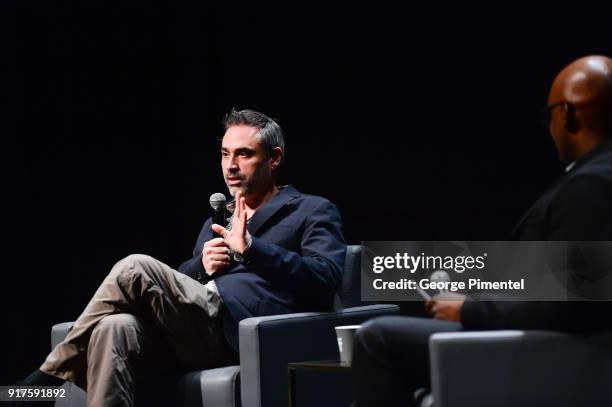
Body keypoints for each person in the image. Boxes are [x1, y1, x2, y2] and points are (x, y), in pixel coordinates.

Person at [17, 109, 346, 406]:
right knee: (114, 327)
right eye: (224, 154)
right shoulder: (217, 219)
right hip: (191, 331)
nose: (230, 166)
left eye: (244, 154)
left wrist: (252, 249)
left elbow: (325, 276)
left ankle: (43, 380)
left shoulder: (310, 209)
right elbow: (180, 283)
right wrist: (201, 267)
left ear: (274, 158)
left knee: (136, 266)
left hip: (241, 329)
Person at [352, 55, 612, 406]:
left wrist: (465, 310)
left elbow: (571, 302)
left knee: (376, 338)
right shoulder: (594, 176)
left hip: (550, 351)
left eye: (548, 114)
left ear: (566, 113)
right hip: (545, 334)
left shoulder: (592, 185)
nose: (549, 126)